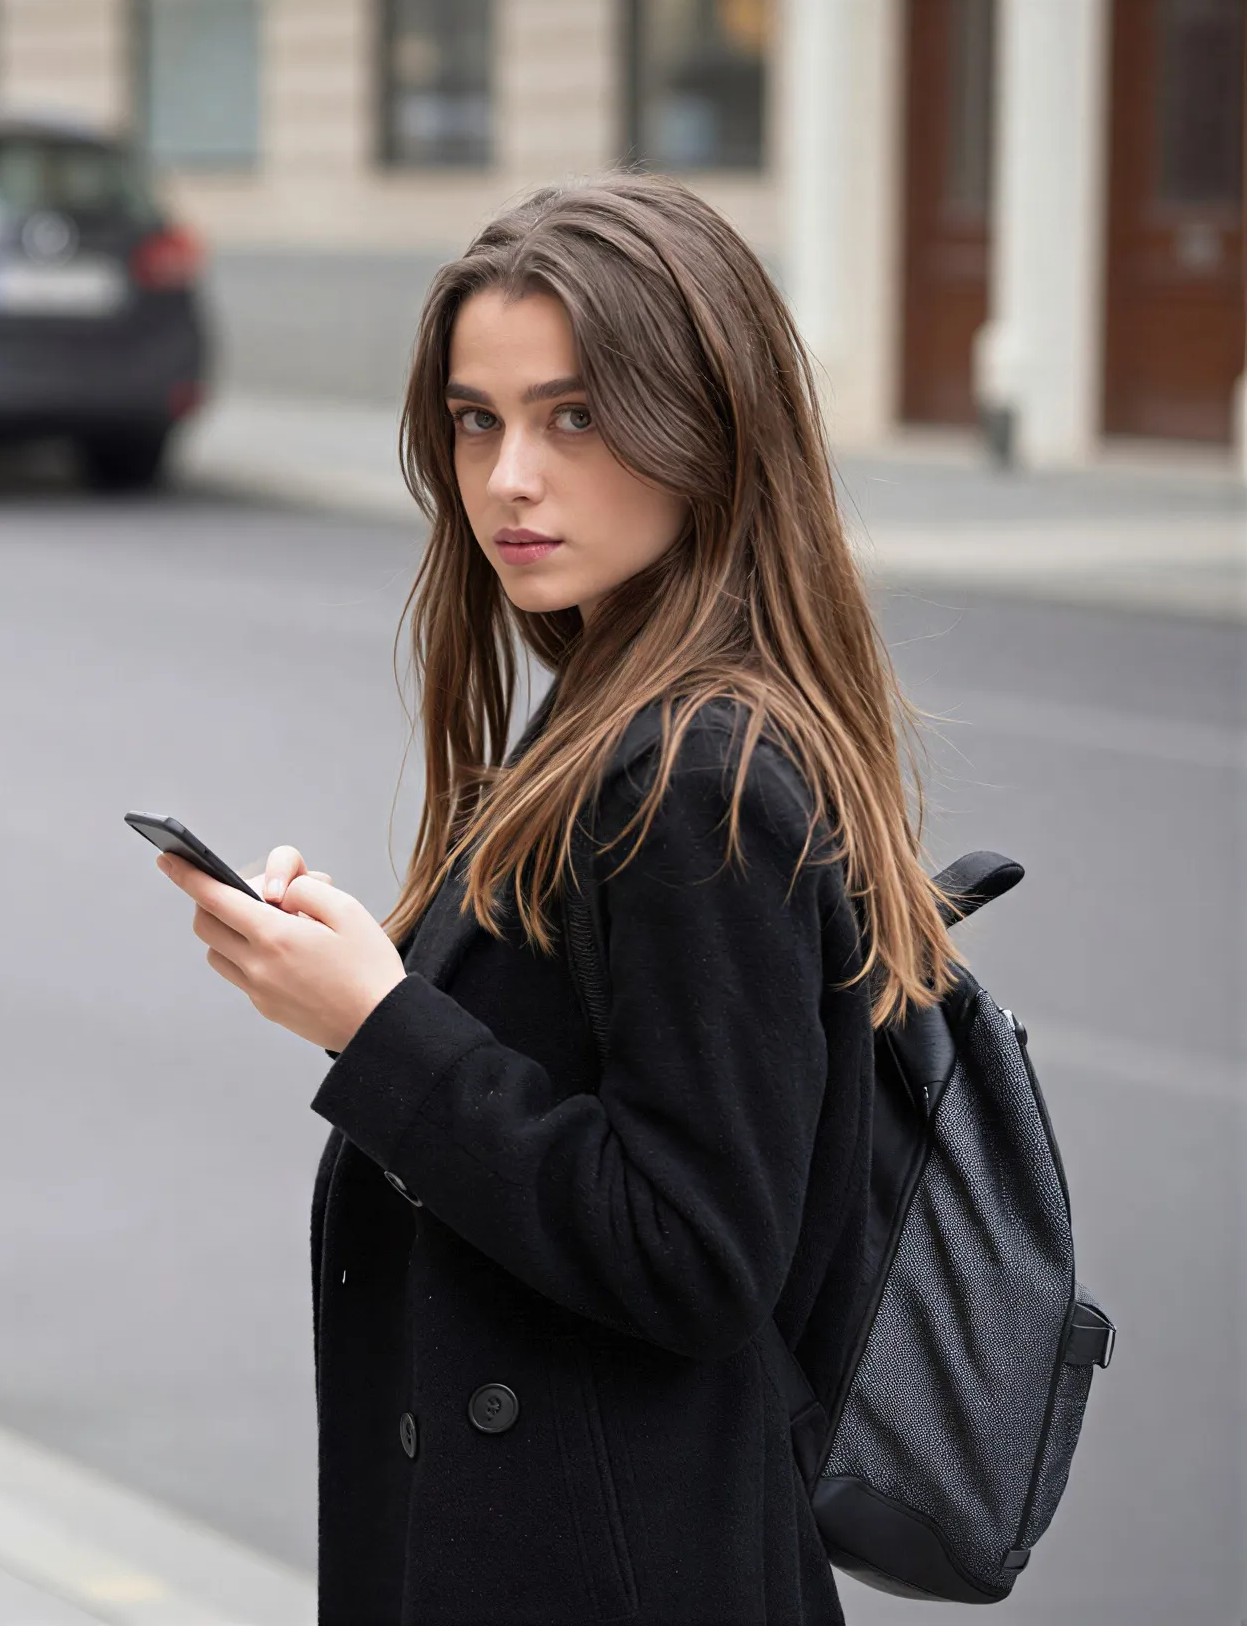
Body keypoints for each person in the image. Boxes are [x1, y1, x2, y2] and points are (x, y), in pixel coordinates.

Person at [151, 173, 960, 1624]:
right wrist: (371, 974)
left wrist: (378, 1028)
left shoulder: (700, 774)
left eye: (573, 417)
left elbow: (696, 1254)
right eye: (477, 420)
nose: (509, 477)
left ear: (709, 426)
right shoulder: (615, 698)